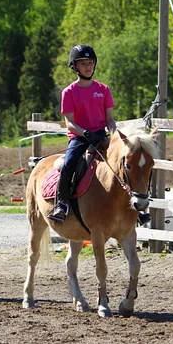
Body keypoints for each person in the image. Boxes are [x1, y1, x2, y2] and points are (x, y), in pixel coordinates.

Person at [48, 44, 117, 224]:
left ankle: (134, 205)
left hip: (101, 136)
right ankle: (61, 204)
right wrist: (86, 133)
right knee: (69, 164)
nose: (88, 66)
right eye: (83, 63)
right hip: (79, 138)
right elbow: (69, 123)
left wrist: (114, 134)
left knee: (125, 161)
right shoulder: (69, 92)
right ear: (75, 67)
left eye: (90, 62)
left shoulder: (104, 90)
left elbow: (110, 119)